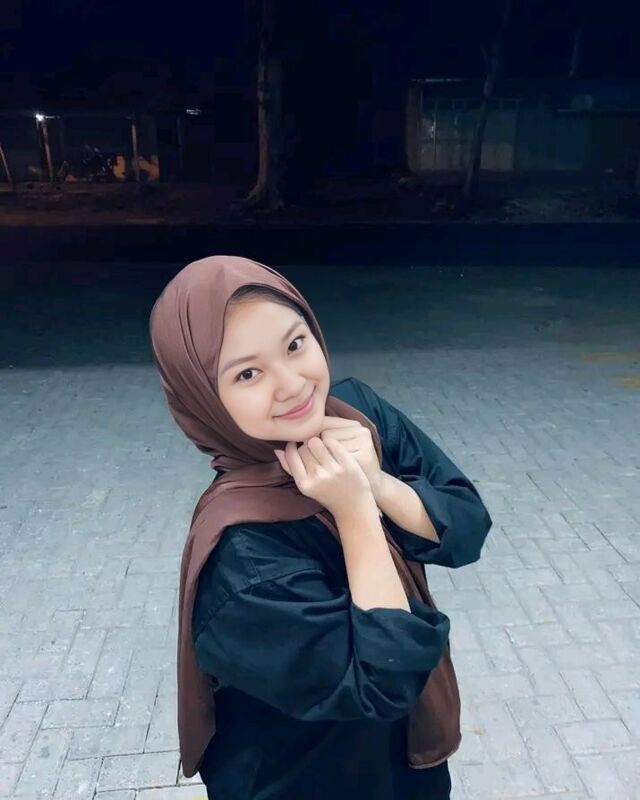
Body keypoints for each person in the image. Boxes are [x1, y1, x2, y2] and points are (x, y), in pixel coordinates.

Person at [149, 255, 492, 800]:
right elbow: (384, 680)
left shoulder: (357, 414)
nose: (292, 385)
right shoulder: (240, 557)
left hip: (406, 765)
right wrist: (355, 512)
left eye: (294, 344)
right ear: (203, 397)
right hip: (300, 776)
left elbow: (467, 526)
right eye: (247, 373)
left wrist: (379, 484)